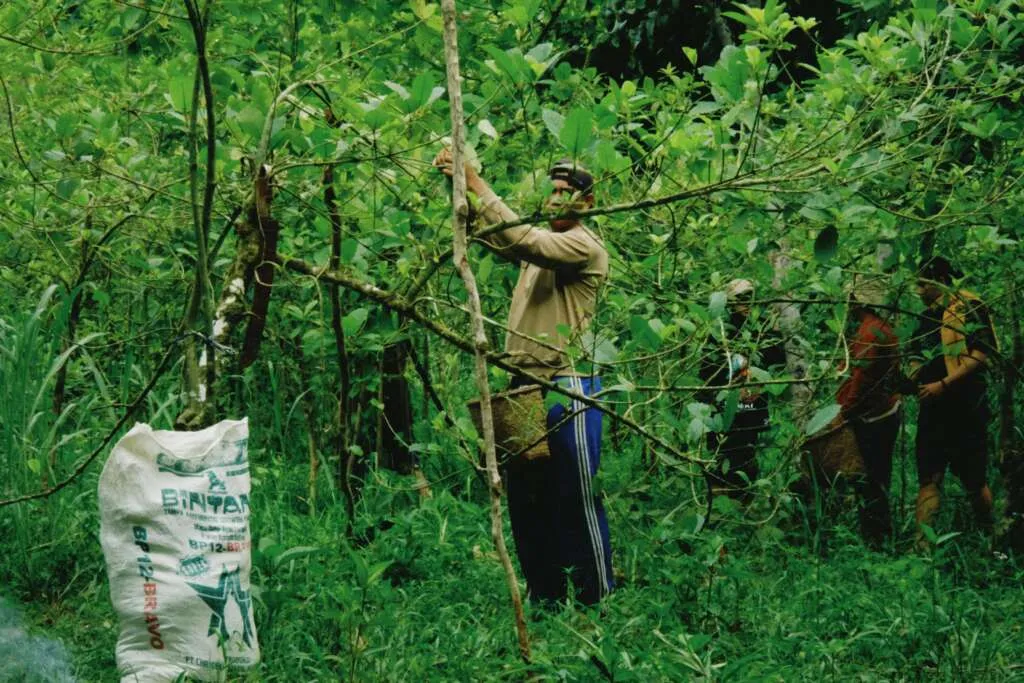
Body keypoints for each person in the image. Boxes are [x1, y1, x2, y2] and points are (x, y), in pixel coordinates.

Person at [434, 150, 613, 605]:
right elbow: (500, 237)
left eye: (565, 193)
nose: (555, 200)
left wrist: (475, 179)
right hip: (522, 388)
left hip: (565, 384)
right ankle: (545, 597)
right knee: (528, 502)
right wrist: (457, 188)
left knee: (576, 497)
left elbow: (526, 239)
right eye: (551, 192)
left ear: (586, 202)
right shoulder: (537, 250)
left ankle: (598, 598)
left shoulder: (582, 246)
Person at [911, 256, 997, 538]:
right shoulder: (925, 319)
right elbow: (914, 355)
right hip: (932, 412)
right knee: (929, 478)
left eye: (924, 285)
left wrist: (944, 384)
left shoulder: (969, 307)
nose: (919, 291)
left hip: (965, 409)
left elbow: (981, 354)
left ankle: (991, 536)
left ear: (941, 281)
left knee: (974, 480)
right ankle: (921, 546)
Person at [698, 279, 787, 501]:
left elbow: (778, 362)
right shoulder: (720, 331)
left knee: (746, 456)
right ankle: (720, 507)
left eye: (750, 299)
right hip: (724, 410)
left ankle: (743, 504)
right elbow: (705, 371)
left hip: (752, 408)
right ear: (730, 301)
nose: (746, 304)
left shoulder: (763, 329)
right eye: (741, 299)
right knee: (722, 456)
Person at [835, 277, 901, 545]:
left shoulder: (870, 332)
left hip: (874, 417)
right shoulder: (878, 328)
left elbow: (862, 378)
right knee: (876, 477)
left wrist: (845, 411)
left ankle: (876, 539)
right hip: (880, 413)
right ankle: (877, 535)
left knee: (871, 480)